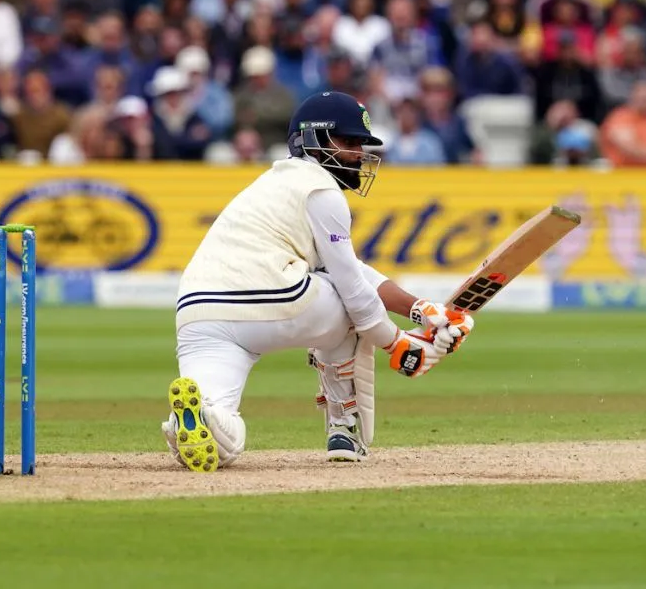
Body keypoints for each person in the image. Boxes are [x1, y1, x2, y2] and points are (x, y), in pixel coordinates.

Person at [161, 91, 476, 471]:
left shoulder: (269, 186)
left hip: (198, 312)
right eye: (348, 142)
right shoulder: (320, 187)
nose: (359, 153)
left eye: (361, 144)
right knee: (353, 310)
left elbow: (349, 269)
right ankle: (342, 428)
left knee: (221, 438)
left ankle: (193, 421)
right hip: (274, 298)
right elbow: (353, 289)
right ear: (312, 139)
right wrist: (400, 347)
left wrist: (421, 311)